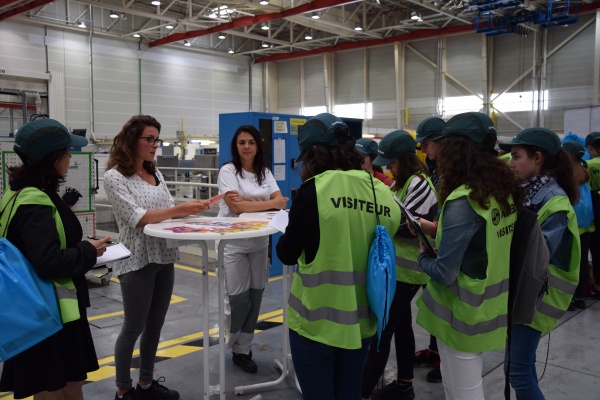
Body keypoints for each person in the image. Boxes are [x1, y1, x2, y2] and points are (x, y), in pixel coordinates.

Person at [276, 113, 400, 400]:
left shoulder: (315, 190)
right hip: (363, 321)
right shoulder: (380, 190)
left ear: (314, 153)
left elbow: (288, 253)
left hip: (316, 323)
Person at [415, 112, 524, 400]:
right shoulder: (503, 189)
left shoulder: (464, 200)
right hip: (490, 307)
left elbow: (444, 273)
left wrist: (424, 256)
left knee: (464, 393)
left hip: (461, 315)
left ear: (456, 150)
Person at [0, 119, 110, 399]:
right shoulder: (35, 201)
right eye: (66, 151)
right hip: (51, 314)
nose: (71, 156)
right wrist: (89, 250)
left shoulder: (16, 193)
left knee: (68, 384)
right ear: (53, 158)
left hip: (44, 310)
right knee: (51, 388)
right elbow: (47, 261)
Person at [104, 115, 211, 400]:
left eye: (156, 139)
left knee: (155, 325)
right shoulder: (115, 177)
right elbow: (137, 218)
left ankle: (147, 383)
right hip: (136, 259)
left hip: (163, 255)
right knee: (133, 327)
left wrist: (191, 212)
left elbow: (167, 210)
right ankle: (123, 389)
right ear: (132, 140)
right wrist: (179, 210)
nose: (154, 145)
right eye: (149, 139)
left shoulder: (155, 172)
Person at [500, 128, 580, 400]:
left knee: (519, 372)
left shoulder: (554, 202)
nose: (510, 163)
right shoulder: (527, 192)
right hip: (525, 293)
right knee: (520, 368)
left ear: (537, 157)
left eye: (516, 156)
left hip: (536, 297)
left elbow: (536, 255)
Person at [361, 130, 438, 400]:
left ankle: (361, 392)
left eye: (392, 163)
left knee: (381, 334)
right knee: (401, 328)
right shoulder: (400, 183)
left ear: (406, 159)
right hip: (398, 271)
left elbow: (409, 226)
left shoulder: (420, 183)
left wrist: (379, 222)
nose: (389, 168)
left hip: (408, 272)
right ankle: (405, 385)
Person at [217, 124, 287, 373]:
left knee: (255, 297)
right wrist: (269, 203)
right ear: (235, 146)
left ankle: (243, 349)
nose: (246, 147)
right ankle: (232, 341)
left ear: (258, 146)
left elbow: (280, 203)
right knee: (237, 299)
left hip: (260, 241)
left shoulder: (264, 172)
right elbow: (236, 209)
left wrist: (253, 204)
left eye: (251, 142)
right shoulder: (228, 171)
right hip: (233, 243)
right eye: (241, 142)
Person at [412, 116, 445, 383]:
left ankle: (445, 359)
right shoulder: (435, 167)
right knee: (434, 302)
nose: (424, 150)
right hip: (434, 241)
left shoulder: (451, 170)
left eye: (426, 143)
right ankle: (435, 350)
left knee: (445, 304)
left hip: (444, 244)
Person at [562, 141, 594, 310]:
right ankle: (580, 298)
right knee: (582, 261)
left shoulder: (565, 173)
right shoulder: (584, 170)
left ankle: (569, 299)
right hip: (586, 222)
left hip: (571, 222)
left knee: (568, 262)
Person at [585, 131, 600, 297]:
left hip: (596, 203)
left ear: (590, 147)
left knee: (596, 246)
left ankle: (597, 285)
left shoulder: (589, 165)